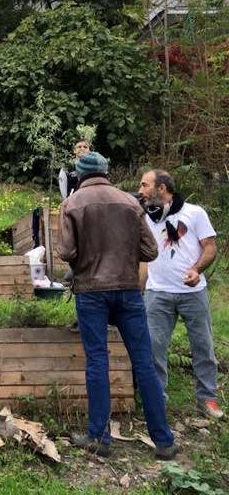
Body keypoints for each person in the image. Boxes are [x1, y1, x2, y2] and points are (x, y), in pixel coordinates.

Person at [58, 152, 177, 459]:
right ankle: (163, 441)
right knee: (144, 362)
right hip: (128, 291)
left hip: (91, 293)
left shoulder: (71, 204)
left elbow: (66, 251)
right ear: (106, 172)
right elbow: (150, 251)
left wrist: (86, 261)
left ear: (79, 174)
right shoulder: (130, 202)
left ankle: (99, 438)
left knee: (97, 360)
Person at [139, 169, 223, 420]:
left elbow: (210, 247)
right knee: (154, 348)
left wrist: (196, 269)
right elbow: (142, 258)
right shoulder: (145, 217)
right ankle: (157, 401)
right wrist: (139, 288)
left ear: (162, 188)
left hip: (193, 292)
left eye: (145, 185)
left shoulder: (194, 213)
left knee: (203, 346)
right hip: (158, 292)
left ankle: (207, 398)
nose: (140, 190)